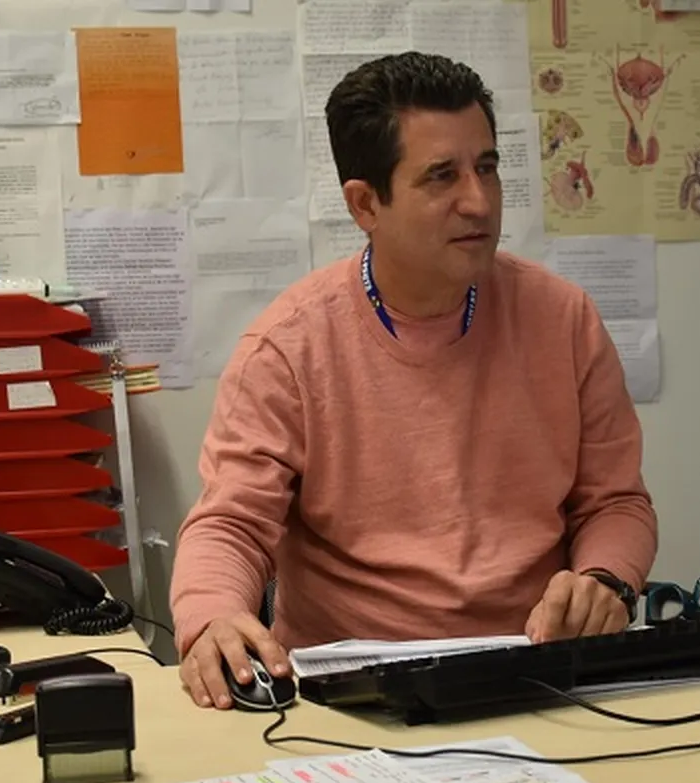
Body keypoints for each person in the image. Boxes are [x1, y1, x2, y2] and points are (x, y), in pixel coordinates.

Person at [170, 52, 658, 709]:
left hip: (536, 675)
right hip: (357, 699)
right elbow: (230, 523)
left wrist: (606, 580)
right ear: (365, 203)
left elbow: (616, 502)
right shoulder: (287, 349)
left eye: (487, 168)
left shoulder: (564, 319)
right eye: (442, 176)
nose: (479, 201)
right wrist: (212, 617)